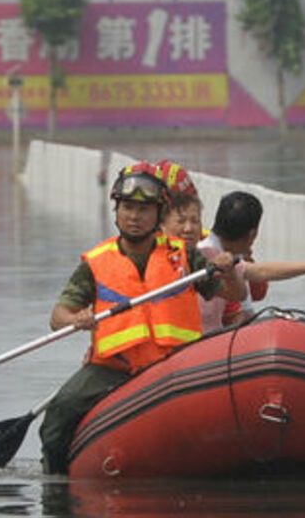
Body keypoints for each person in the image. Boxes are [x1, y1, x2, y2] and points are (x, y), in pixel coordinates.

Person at [38, 161, 242, 474]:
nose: (134, 217)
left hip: (176, 364)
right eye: (127, 208)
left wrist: (230, 270)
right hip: (114, 369)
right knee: (57, 417)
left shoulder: (185, 255)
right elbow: (57, 317)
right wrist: (76, 319)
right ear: (116, 211)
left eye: (144, 209)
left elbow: (234, 295)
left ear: (158, 215)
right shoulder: (95, 263)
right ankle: (58, 485)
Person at [200, 191, 305, 332]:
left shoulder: (224, 258)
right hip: (198, 343)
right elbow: (263, 272)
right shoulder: (207, 256)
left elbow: (264, 271)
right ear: (252, 234)